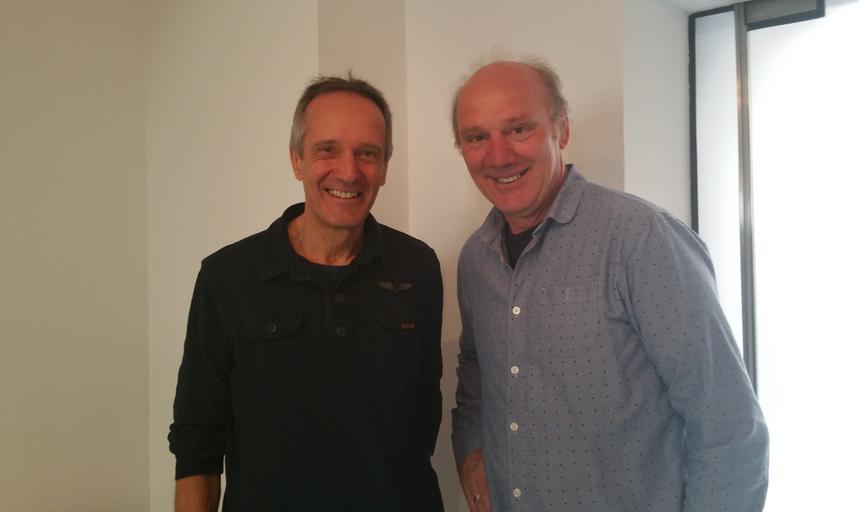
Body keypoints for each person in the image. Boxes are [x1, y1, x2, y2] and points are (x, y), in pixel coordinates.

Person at [450, 59, 769, 512]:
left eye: (518, 129)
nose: (498, 156)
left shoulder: (642, 239)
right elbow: (475, 369)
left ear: (561, 129)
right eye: (477, 137)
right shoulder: (475, 260)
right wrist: (471, 450)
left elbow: (728, 426)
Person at [168, 74, 444, 512]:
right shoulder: (227, 278)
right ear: (297, 160)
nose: (349, 171)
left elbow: (423, 413)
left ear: (385, 167)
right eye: (327, 149)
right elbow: (196, 442)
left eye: (367, 153)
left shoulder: (418, 267)